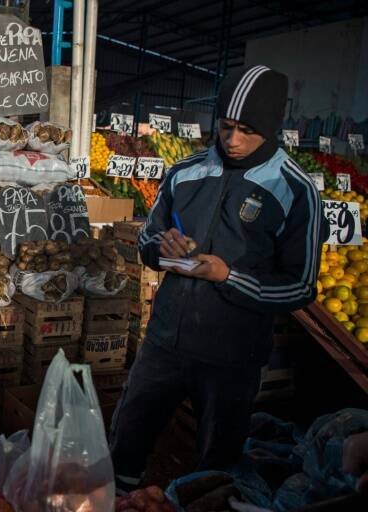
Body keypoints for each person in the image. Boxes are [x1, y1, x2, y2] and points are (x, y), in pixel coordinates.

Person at [109, 65, 329, 492]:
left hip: (233, 357)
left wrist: (229, 276)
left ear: (271, 128)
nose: (232, 141)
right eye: (226, 127)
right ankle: (120, 491)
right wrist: (160, 248)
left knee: (216, 465)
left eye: (247, 131)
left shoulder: (295, 190)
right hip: (164, 342)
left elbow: (301, 285)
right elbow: (147, 240)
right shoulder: (184, 172)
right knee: (128, 439)